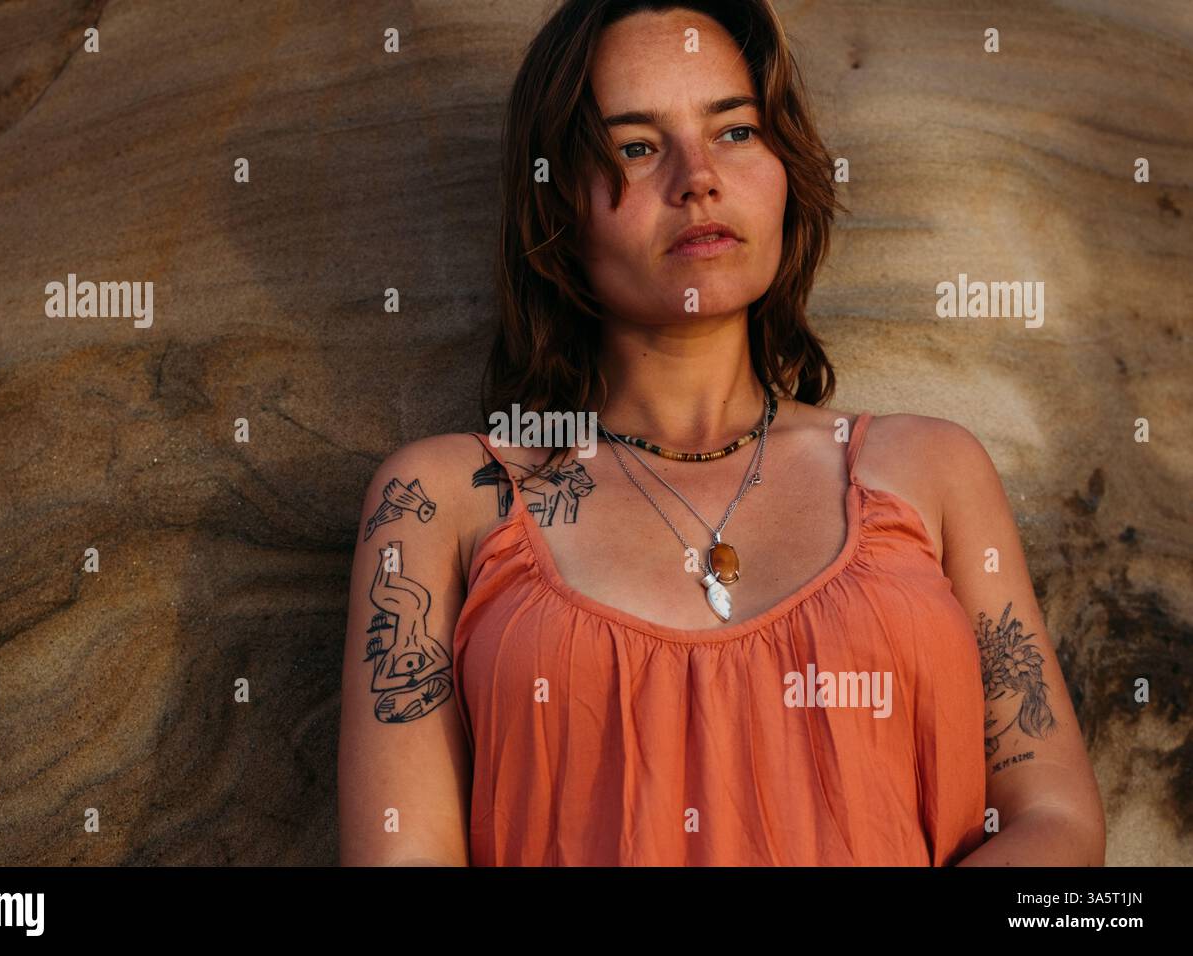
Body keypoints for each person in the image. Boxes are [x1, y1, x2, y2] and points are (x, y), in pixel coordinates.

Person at [338, 0, 1105, 866]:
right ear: (557, 207)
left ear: (787, 167)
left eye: (735, 132)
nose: (696, 177)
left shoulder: (929, 469)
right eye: (635, 146)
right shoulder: (439, 502)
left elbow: (1056, 825)